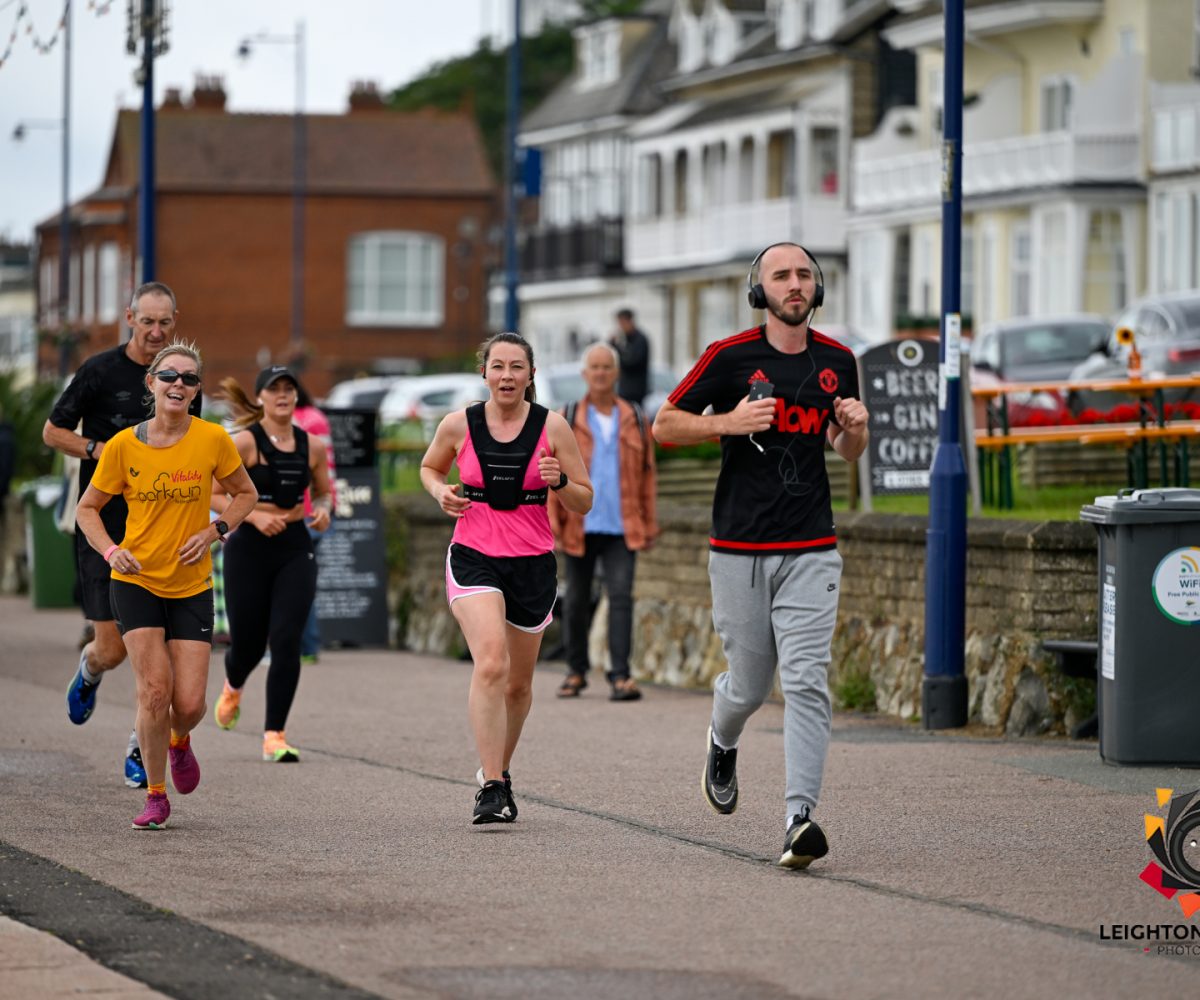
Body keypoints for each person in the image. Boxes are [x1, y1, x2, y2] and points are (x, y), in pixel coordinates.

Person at [652, 243, 869, 870]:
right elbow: (665, 425)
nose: (794, 284)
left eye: (804, 275)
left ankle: (799, 819)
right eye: (782, 275)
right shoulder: (728, 358)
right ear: (760, 291)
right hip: (739, 549)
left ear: (817, 289)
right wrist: (729, 422)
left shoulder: (838, 360)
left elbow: (847, 448)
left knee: (805, 680)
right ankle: (723, 740)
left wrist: (854, 426)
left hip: (811, 548)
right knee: (748, 686)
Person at [74, 341, 257, 829]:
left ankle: (180, 740)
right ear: (151, 383)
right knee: (155, 692)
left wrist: (215, 532)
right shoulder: (123, 446)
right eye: (170, 376)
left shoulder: (213, 440)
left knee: (190, 703)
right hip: (135, 581)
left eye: (190, 378)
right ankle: (155, 794)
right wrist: (112, 551)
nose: (180, 384)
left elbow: (246, 494)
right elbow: (86, 509)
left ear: (197, 391)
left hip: (191, 585)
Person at [420, 332, 592, 824]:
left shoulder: (552, 427)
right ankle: (491, 789)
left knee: (518, 686)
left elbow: (585, 498)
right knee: (491, 662)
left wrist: (559, 480)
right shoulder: (459, 424)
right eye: (498, 366)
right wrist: (440, 492)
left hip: (533, 563)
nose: (507, 376)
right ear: (484, 372)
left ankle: (499, 769)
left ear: (531, 375)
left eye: (517, 367)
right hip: (474, 553)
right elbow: (429, 468)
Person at [43, 281, 200, 789]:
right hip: (107, 528)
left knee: (157, 665)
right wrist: (101, 452)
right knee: (112, 650)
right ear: (129, 318)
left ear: (175, 322)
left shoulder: (182, 376)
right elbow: (53, 432)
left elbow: (193, 451)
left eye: (165, 323)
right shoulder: (98, 371)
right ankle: (89, 670)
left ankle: (140, 748)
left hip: (163, 532)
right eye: (147, 321)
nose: (156, 332)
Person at [211, 365, 333, 762]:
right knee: (247, 645)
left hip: (295, 547)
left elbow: (322, 491)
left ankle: (274, 735)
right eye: (274, 389)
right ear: (260, 396)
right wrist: (252, 515)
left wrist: (324, 511)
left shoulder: (311, 446)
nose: (283, 395)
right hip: (247, 547)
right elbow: (211, 493)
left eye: (289, 389)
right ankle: (233, 685)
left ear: (297, 397)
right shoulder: (245, 442)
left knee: (285, 641)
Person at [550, 342, 658, 702]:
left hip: (622, 526)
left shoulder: (637, 418)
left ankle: (621, 676)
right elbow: (551, 475)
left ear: (616, 373)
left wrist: (650, 522)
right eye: (593, 367)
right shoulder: (566, 417)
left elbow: (648, 476)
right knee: (577, 600)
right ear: (585, 374)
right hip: (577, 522)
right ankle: (576, 671)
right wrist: (552, 523)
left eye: (606, 367)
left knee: (622, 598)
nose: (600, 373)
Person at [292, 378, 337, 664]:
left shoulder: (295, 422)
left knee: (294, 584)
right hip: (322, 508)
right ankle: (307, 645)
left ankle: (305, 646)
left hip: (300, 512)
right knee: (304, 581)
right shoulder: (318, 417)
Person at [611, 308, 651, 407]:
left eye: (622, 323)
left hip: (636, 392)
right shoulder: (624, 339)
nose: (620, 327)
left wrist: (617, 347)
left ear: (629, 321)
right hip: (623, 391)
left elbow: (631, 362)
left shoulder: (640, 340)